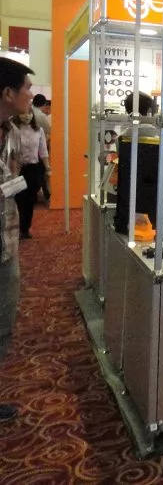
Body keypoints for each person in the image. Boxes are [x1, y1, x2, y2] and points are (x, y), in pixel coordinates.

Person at [0, 58, 35, 422]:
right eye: (26, 88)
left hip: (6, 242)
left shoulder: (10, 131)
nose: (31, 95)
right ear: (8, 93)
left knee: (4, 321)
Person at [12, 112, 49, 239]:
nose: (26, 116)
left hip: (33, 168)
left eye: (29, 113)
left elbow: (43, 151)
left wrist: (47, 167)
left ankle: (25, 228)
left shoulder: (38, 130)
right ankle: (17, 228)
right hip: (18, 169)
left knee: (31, 200)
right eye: (22, 113)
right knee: (18, 199)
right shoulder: (13, 130)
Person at [31, 94, 51, 201]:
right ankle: (45, 193)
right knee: (41, 171)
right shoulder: (41, 116)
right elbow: (49, 130)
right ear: (43, 104)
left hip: (29, 149)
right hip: (40, 148)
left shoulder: (29, 112)